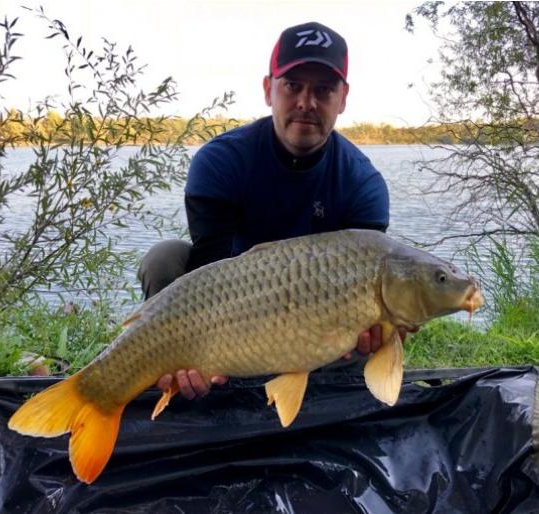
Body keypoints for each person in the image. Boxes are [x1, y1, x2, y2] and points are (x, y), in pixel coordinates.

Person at [137, 21, 413, 401]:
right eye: (293, 85)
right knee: (164, 258)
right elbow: (208, 269)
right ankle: (180, 372)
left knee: (368, 327)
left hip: (318, 328)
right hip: (231, 312)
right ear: (269, 89)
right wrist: (201, 355)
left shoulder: (362, 184)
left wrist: (374, 327)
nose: (306, 102)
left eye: (323, 89)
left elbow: (366, 289)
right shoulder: (220, 161)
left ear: (343, 98)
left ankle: (311, 389)